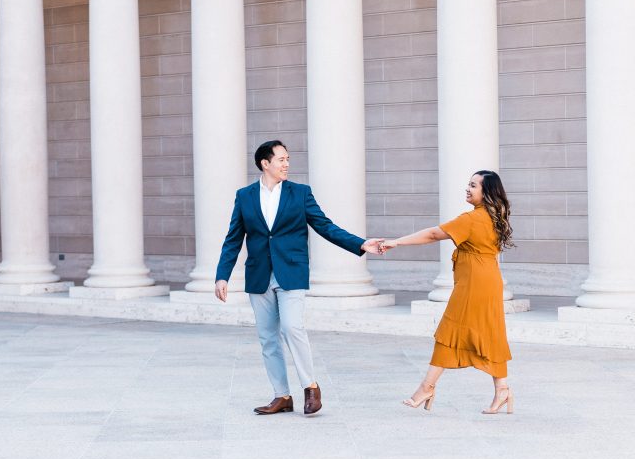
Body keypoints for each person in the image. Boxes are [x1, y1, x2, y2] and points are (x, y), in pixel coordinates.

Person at [215, 140, 384, 416]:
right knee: (268, 338)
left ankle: (310, 386)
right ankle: (281, 396)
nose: (286, 164)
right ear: (265, 163)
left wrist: (361, 244)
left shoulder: (300, 193)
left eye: (287, 159)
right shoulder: (244, 196)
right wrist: (222, 276)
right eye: (281, 159)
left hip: (291, 271)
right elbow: (233, 239)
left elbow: (325, 226)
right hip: (259, 274)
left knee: (292, 328)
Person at [381, 170, 515, 414]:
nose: (468, 188)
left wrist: (396, 241)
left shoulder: (472, 219)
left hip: (474, 283)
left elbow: (433, 234)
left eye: (473, 185)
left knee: (449, 330)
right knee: (491, 331)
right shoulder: (494, 217)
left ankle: (426, 387)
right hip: (488, 280)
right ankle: (502, 390)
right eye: (468, 184)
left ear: (486, 193)